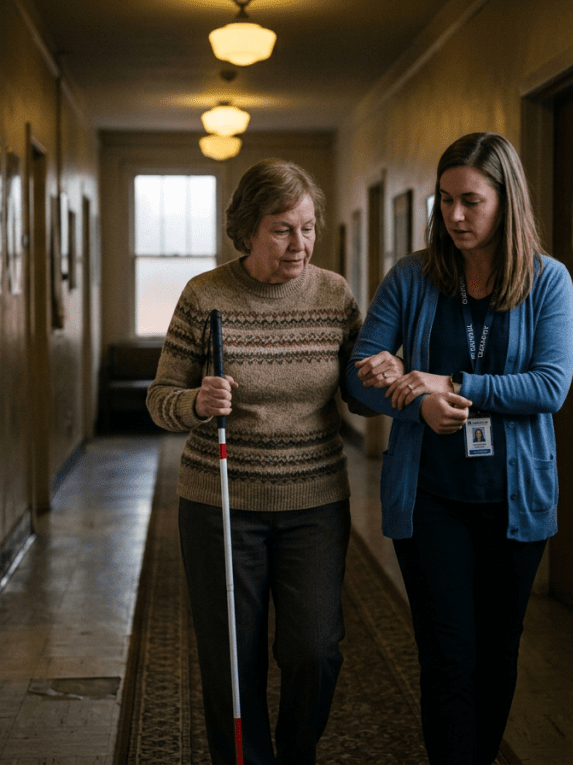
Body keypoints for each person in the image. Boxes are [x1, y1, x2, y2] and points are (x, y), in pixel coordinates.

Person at [147, 159, 398, 765]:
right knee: (233, 656)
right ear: (247, 230)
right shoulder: (205, 296)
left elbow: (357, 398)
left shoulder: (334, 295)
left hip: (314, 501)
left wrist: (383, 377)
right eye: (283, 229)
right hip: (221, 503)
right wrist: (196, 401)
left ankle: (296, 752)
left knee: (315, 648)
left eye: (308, 227)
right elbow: (160, 401)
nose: (300, 244)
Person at [346, 132, 573, 765]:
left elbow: (551, 385)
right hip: (429, 499)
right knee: (448, 654)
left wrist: (450, 382)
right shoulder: (413, 277)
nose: (454, 217)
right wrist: (403, 391)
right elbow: (360, 370)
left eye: (471, 201)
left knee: (497, 652)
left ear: (507, 201)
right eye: (444, 201)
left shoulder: (548, 281)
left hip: (514, 499)